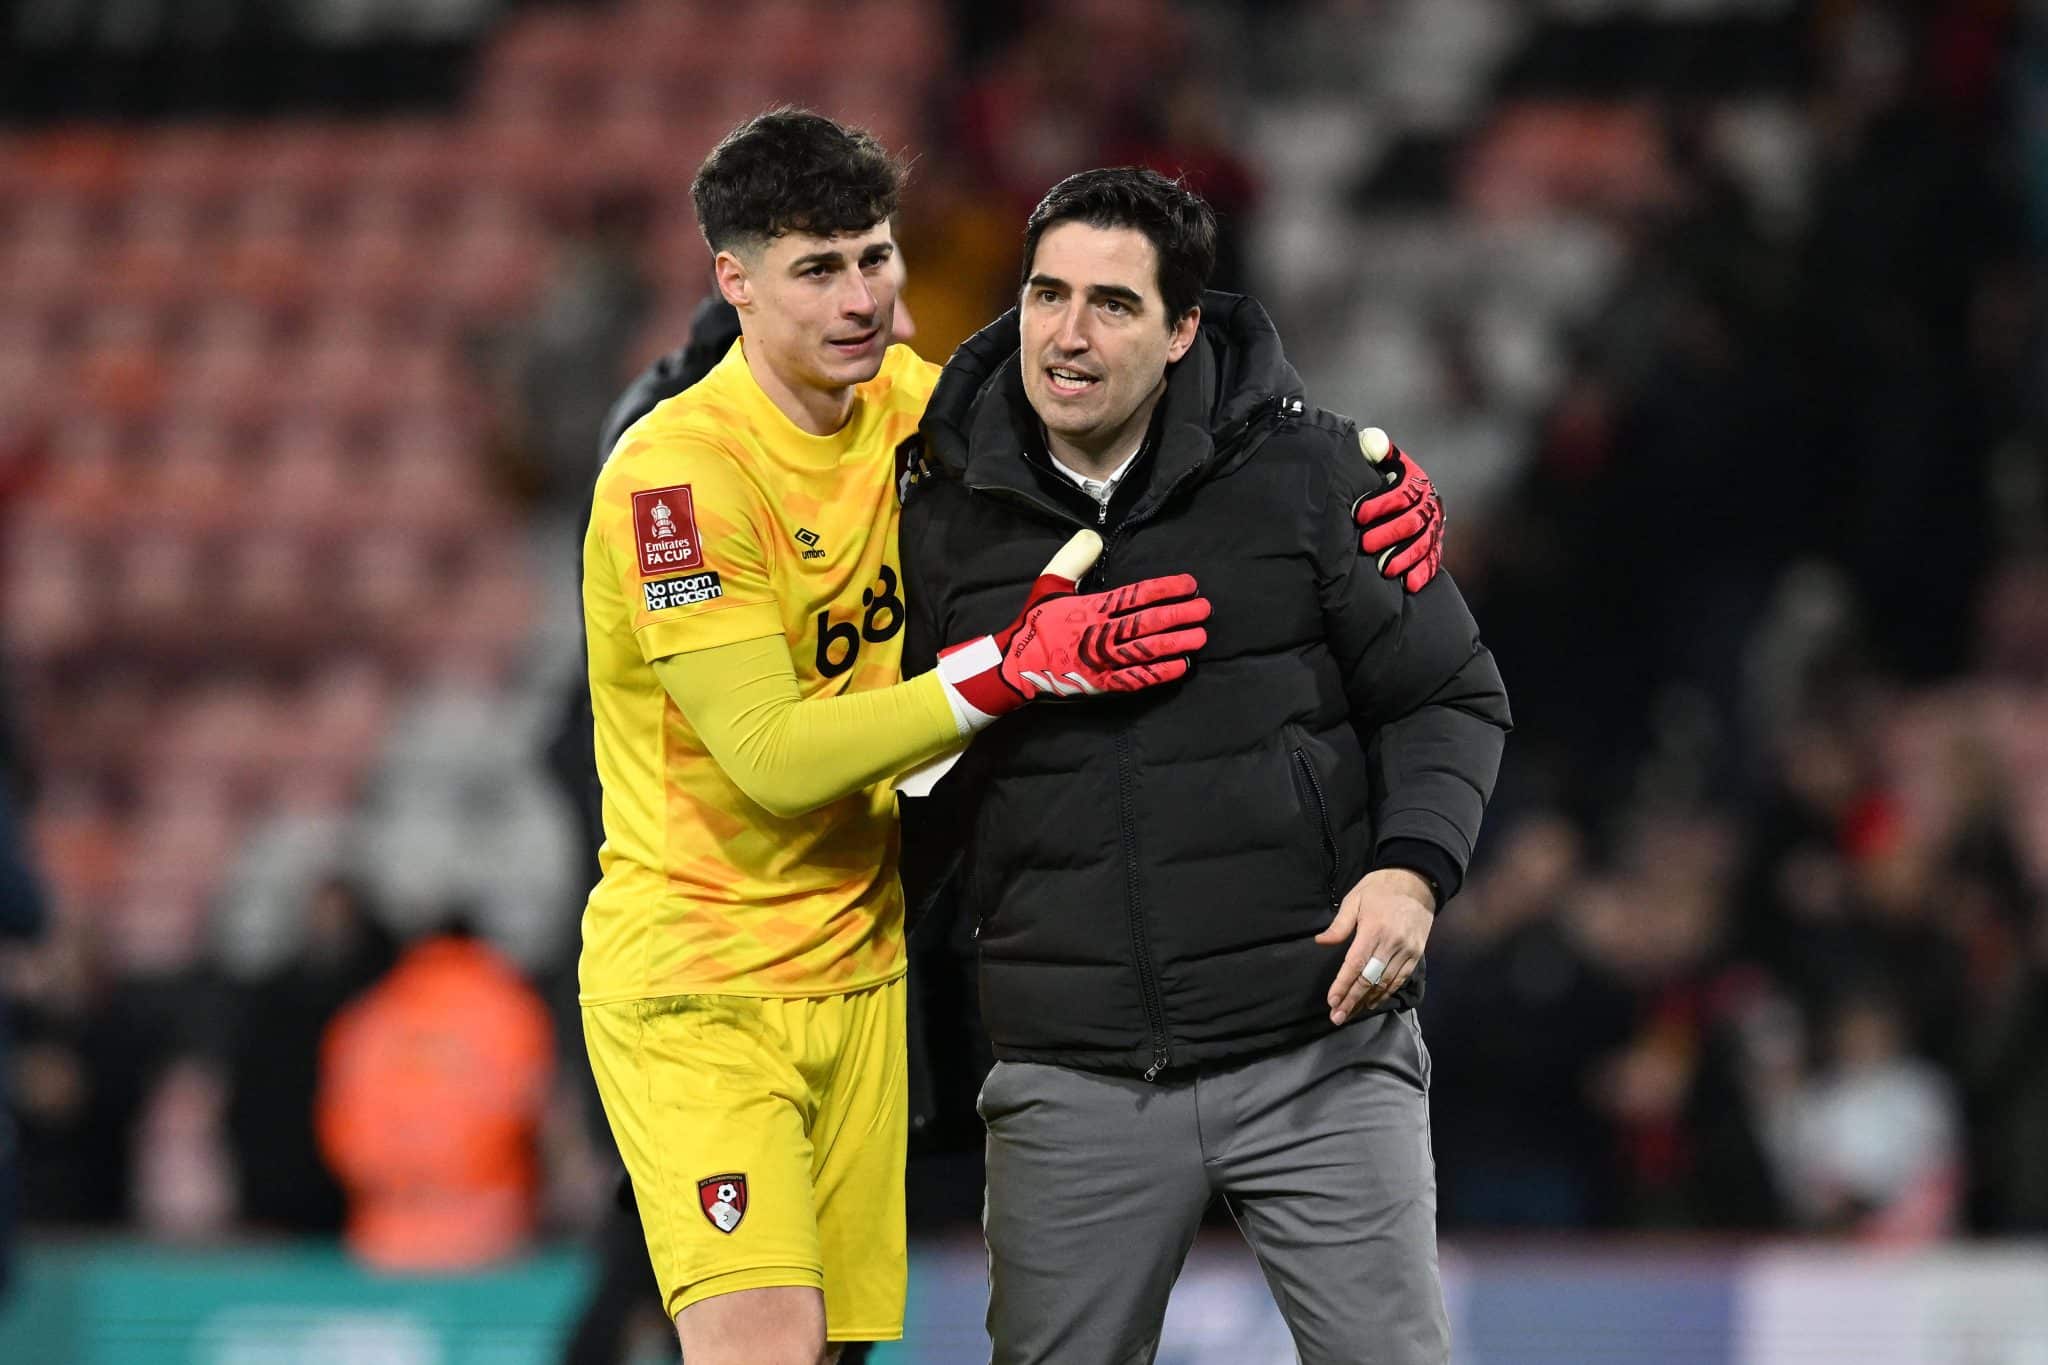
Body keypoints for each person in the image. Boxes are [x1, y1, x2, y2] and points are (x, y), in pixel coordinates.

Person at [576, 110, 1215, 1365]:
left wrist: (1348, 481)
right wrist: (999, 675)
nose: (862, 297)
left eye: (874, 257)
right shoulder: (676, 483)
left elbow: (1139, 403)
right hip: (703, 986)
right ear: (734, 283)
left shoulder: (915, 412)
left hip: (863, 973)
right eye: (817, 269)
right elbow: (771, 756)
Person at [898, 167, 1512, 1365]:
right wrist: (994, 675)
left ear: (1182, 328)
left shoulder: (1314, 479)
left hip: (1315, 1047)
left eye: (1112, 304)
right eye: (1045, 295)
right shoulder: (935, 519)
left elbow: (1447, 692)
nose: (1067, 335)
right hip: (1069, 1074)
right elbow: (892, 773)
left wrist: (1411, 872)